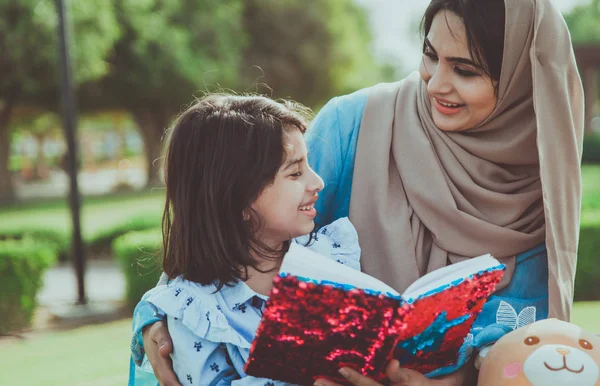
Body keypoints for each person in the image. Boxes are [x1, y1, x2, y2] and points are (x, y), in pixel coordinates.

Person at [132, 0, 585, 384]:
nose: (436, 82)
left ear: (522, 81)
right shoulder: (356, 125)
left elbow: (526, 351)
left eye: (464, 70)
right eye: (430, 55)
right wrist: (152, 315)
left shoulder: (544, 189)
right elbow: (228, 225)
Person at [129, 94, 362, 386]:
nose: (318, 183)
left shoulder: (329, 256)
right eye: (296, 172)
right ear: (236, 200)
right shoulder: (197, 314)